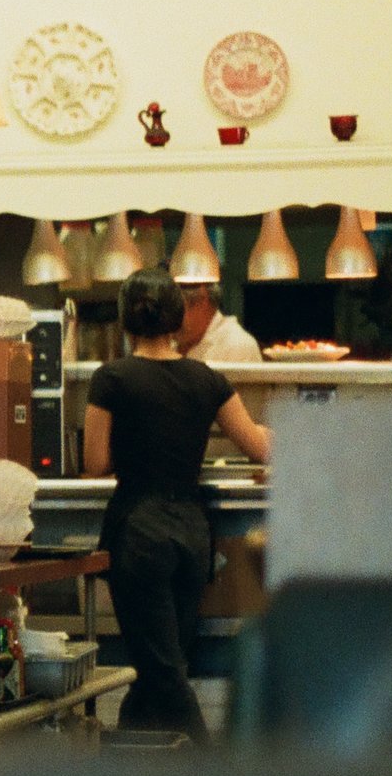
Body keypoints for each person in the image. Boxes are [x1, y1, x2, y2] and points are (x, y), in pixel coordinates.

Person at [83, 269, 274, 741]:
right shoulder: (206, 378)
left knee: (163, 673)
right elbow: (259, 446)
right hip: (193, 537)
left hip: (139, 536)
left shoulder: (112, 378)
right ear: (177, 318)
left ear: (127, 320)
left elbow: (95, 463)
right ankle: (129, 763)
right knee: (160, 667)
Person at [181, 281, 262, 363]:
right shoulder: (173, 342)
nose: (172, 319)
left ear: (202, 302)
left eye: (177, 310)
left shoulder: (239, 345)